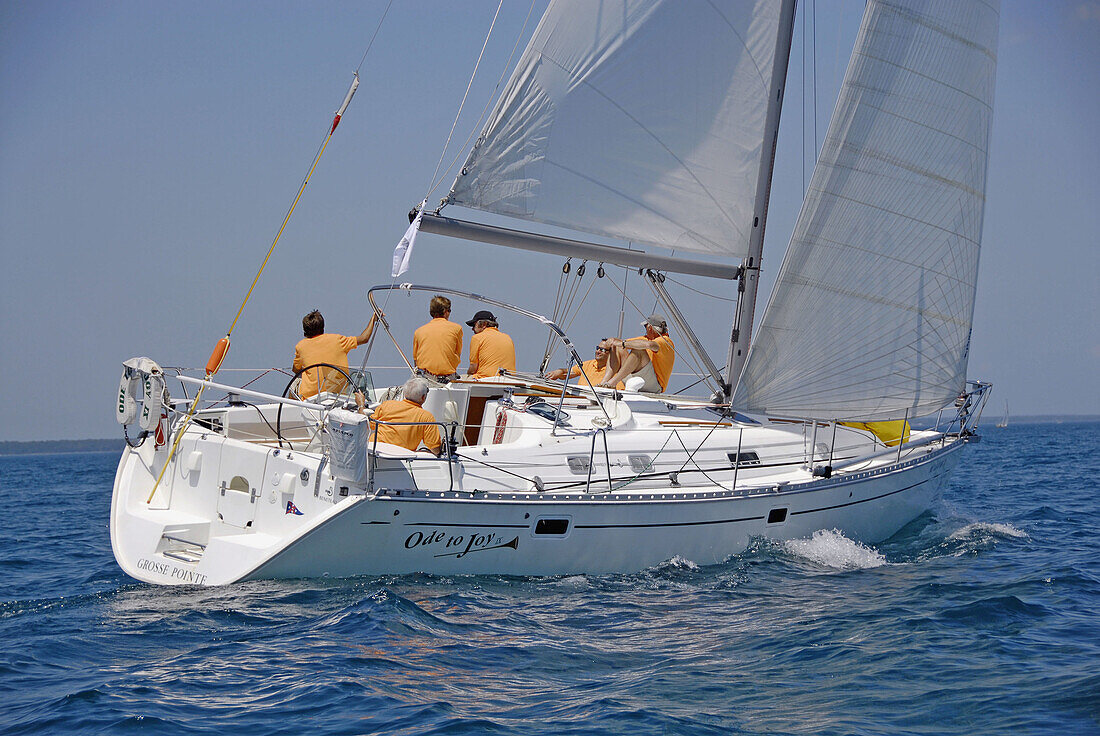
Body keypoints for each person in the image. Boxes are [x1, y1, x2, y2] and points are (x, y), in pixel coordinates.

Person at [293, 309, 377, 399]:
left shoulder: (300, 346)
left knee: (294, 386)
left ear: (305, 329)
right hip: (338, 395)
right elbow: (364, 338)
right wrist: (373, 319)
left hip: (311, 399)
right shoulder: (338, 340)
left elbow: (296, 370)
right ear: (323, 326)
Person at [363, 377, 441, 454]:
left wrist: (361, 405)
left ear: (404, 393)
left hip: (374, 450)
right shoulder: (426, 417)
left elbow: (368, 424)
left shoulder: (387, 405)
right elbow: (435, 449)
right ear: (423, 397)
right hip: (400, 457)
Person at [598, 315, 675, 393]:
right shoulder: (645, 339)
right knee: (617, 346)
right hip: (635, 376)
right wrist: (613, 341)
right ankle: (604, 383)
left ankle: (612, 383)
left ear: (650, 328)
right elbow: (622, 342)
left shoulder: (665, 341)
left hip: (653, 386)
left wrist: (622, 343)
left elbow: (650, 345)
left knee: (639, 350)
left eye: (645, 326)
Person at [413, 295, 463, 379]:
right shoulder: (456, 329)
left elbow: (416, 360)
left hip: (425, 377)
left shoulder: (419, 331)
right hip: (447, 377)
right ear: (446, 311)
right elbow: (457, 353)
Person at [547, 339, 623, 389]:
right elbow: (566, 374)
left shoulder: (615, 372)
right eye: (598, 348)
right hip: (578, 400)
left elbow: (620, 392)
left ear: (611, 354)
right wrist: (558, 372)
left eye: (602, 350)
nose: (598, 351)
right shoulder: (588, 364)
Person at [465, 310, 516, 379]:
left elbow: (473, 367)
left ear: (484, 324)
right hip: (509, 380)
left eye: (474, 325)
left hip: (485, 379)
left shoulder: (477, 338)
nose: (472, 329)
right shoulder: (507, 337)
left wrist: (468, 374)